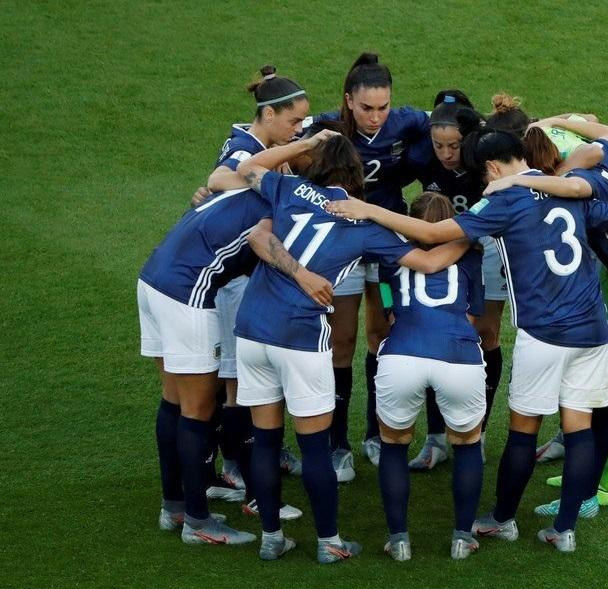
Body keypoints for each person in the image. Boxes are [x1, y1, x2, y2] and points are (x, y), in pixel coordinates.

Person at [326, 122, 608, 552]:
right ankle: (565, 529)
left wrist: (368, 211)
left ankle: (500, 520)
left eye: (484, 175)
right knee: (579, 428)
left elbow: (433, 236)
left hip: (543, 332)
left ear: (495, 168)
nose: (484, 183)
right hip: (591, 328)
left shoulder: (504, 200)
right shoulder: (571, 188)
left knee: (524, 429)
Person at [209, 124, 471, 562]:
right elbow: (428, 258)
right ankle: (329, 541)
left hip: (252, 330)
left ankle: (271, 537)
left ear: (315, 164)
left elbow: (249, 166)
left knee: (266, 438)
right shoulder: (362, 221)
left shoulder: (288, 188)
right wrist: (470, 235)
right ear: (356, 177)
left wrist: (303, 143)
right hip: (300, 336)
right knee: (314, 446)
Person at [484, 116, 608, 534]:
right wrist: (560, 121)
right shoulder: (602, 166)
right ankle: (590, 494)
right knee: (604, 401)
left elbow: (580, 185)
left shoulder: (579, 180)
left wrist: (518, 183)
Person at [139, 131, 334, 546]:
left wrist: (299, 145)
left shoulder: (250, 179)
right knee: (198, 407)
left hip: (154, 276)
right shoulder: (286, 200)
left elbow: (236, 174)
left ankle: (173, 506)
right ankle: (197, 522)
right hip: (186, 290)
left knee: (174, 399)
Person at [309, 53, 432, 473]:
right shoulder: (324, 128)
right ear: (348, 100)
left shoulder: (408, 121)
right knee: (341, 339)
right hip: (343, 251)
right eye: (366, 108)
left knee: (381, 333)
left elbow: (456, 121)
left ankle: (377, 434)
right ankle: (336, 442)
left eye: (383, 107)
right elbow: (271, 146)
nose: (376, 117)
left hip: (382, 252)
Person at [203, 65, 307, 520]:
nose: (299, 129)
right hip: (235, 280)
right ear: (268, 115)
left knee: (246, 380)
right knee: (238, 382)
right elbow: (217, 181)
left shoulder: (264, 144)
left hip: (247, 276)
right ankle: (243, 477)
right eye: (294, 122)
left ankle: (248, 462)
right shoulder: (247, 148)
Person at [374, 191, 487, 561]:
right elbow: (474, 316)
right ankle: (461, 538)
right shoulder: (471, 256)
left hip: (401, 353)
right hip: (458, 355)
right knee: (468, 444)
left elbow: (388, 308)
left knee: (393, 444)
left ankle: (399, 540)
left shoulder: (391, 257)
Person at [402, 91, 505, 470]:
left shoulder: (485, 163)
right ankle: (436, 438)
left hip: (487, 251)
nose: (446, 154)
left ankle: (476, 431)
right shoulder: (421, 158)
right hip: (439, 250)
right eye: (438, 145)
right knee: (434, 331)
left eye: (454, 146)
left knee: (486, 334)